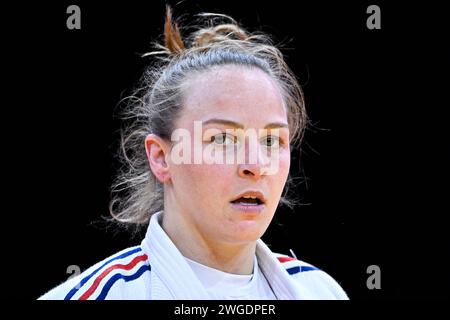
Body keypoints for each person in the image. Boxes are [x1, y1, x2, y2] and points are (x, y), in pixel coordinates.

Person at [39, 6, 348, 300]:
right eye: (223, 138)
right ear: (161, 157)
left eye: (271, 140)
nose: (256, 165)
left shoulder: (321, 291)